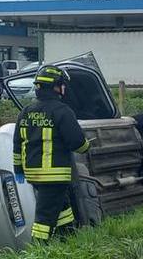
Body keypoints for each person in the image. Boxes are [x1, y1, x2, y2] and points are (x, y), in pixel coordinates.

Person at [13, 65, 90, 241]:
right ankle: (38, 252)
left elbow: (17, 143)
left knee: (62, 208)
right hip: (54, 175)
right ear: (56, 86)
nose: (64, 88)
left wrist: (18, 169)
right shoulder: (62, 111)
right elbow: (77, 142)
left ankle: (67, 238)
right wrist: (87, 147)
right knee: (44, 218)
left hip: (33, 174)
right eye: (62, 84)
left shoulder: (25, 112)